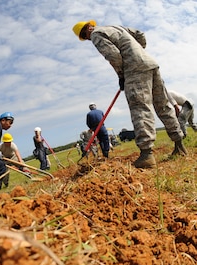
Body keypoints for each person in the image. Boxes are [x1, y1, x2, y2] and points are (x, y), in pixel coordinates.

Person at [72, 21, 187, 168]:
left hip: (134, 70)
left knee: (140, 108)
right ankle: (179, 145)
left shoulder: (96, 34)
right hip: (149, 63)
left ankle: (146, 155)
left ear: (88, 28)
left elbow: (112, 55)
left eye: (84, 35)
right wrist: (139, 52)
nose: (87, 38)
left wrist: (121, 74)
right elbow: (140, 35)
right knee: (162, 104)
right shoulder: (115, 27)